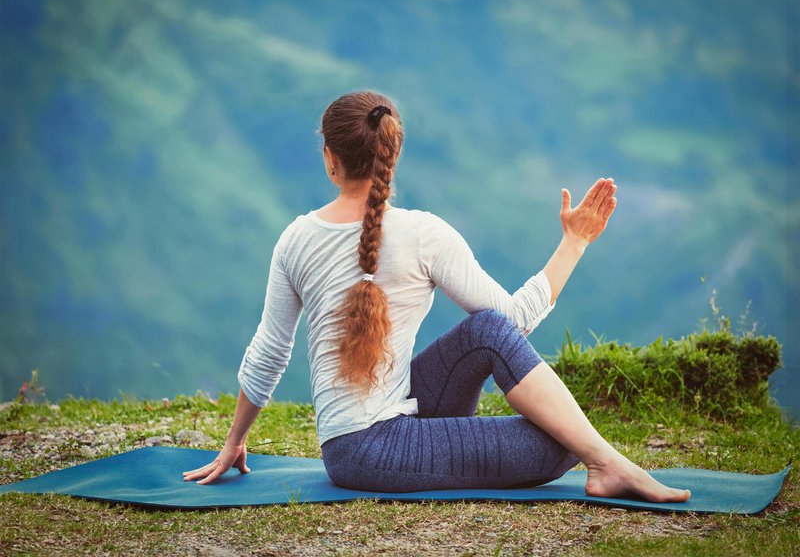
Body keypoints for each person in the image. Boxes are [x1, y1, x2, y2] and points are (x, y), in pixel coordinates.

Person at [182, 90, 691, 503]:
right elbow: (520, 318)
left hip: (355, 440)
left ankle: (603, 461)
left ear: (330, 159)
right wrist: (574, 243)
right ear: (392, 154)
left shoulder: (296, 237)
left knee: (490, 336)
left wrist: (234, 442)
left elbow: (269, 353)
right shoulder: (424, 232)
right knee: (562, 441)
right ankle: (606, 463)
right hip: (372, 451)